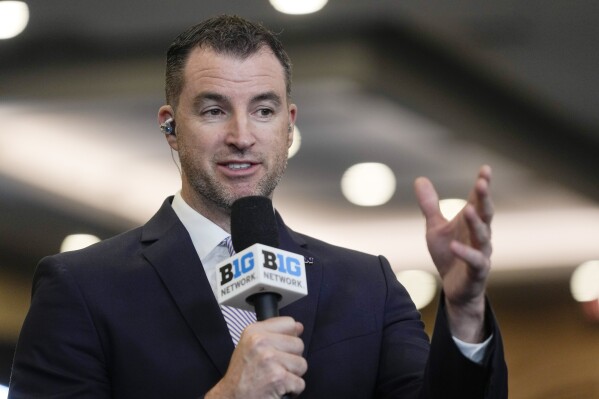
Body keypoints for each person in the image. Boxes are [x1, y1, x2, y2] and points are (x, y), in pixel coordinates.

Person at [9, 15, 507, 398]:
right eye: (213, 110)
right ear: (170, 126)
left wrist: (464, 311)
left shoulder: (366, 286)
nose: (242, 137)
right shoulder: (82, 287)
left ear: (288, 126)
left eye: (263, 111)